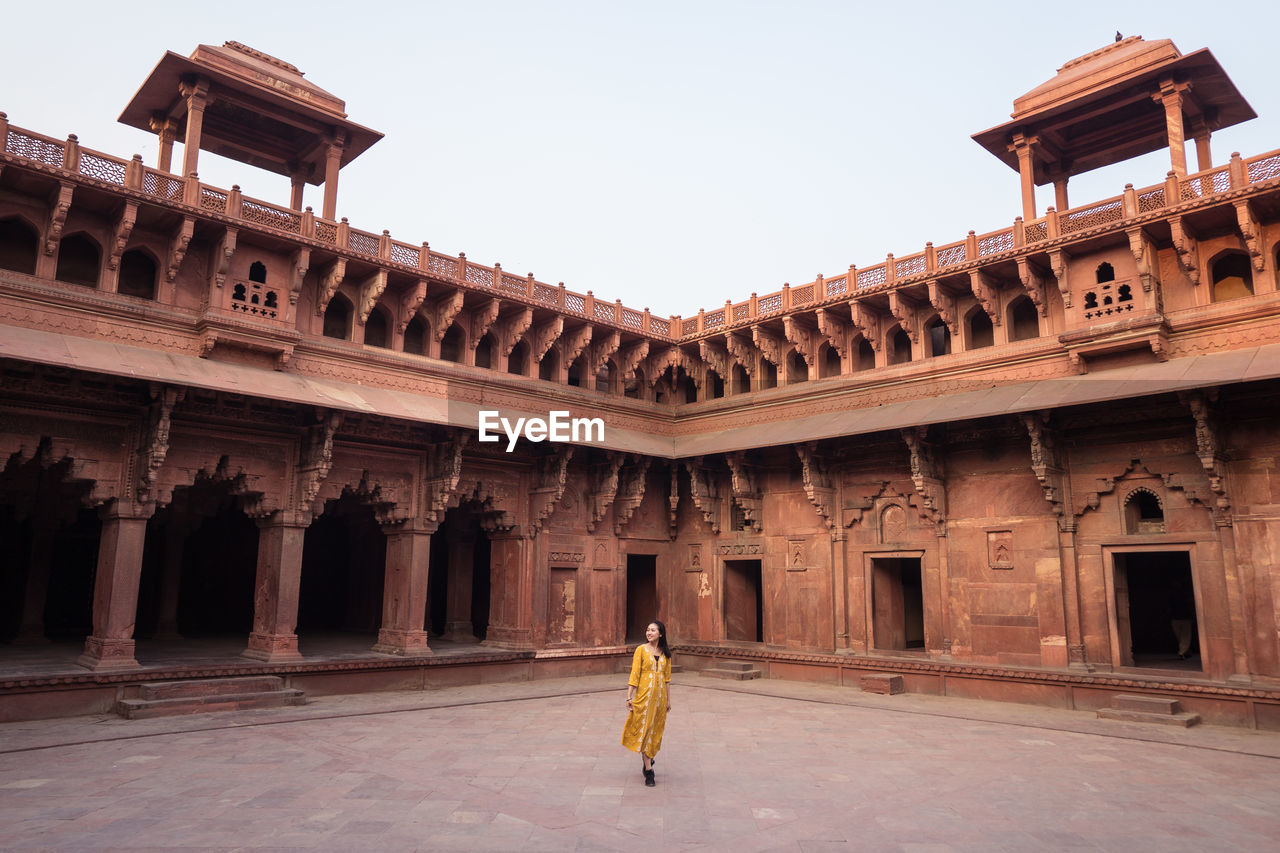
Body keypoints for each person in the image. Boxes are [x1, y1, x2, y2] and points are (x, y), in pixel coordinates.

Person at [621, 620, 672, 787]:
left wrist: (668, 700)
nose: (649, 633)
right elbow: (635, 674)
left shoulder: (665, 653)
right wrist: (629, 697)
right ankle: (649, 771)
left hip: (659, 700)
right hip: (644, 698)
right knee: (645, 730)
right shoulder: (641, 650)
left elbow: (667, 679)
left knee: (655, 731)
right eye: (647, 630)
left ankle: (648, 759)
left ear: (660, 634)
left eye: (653, 630)